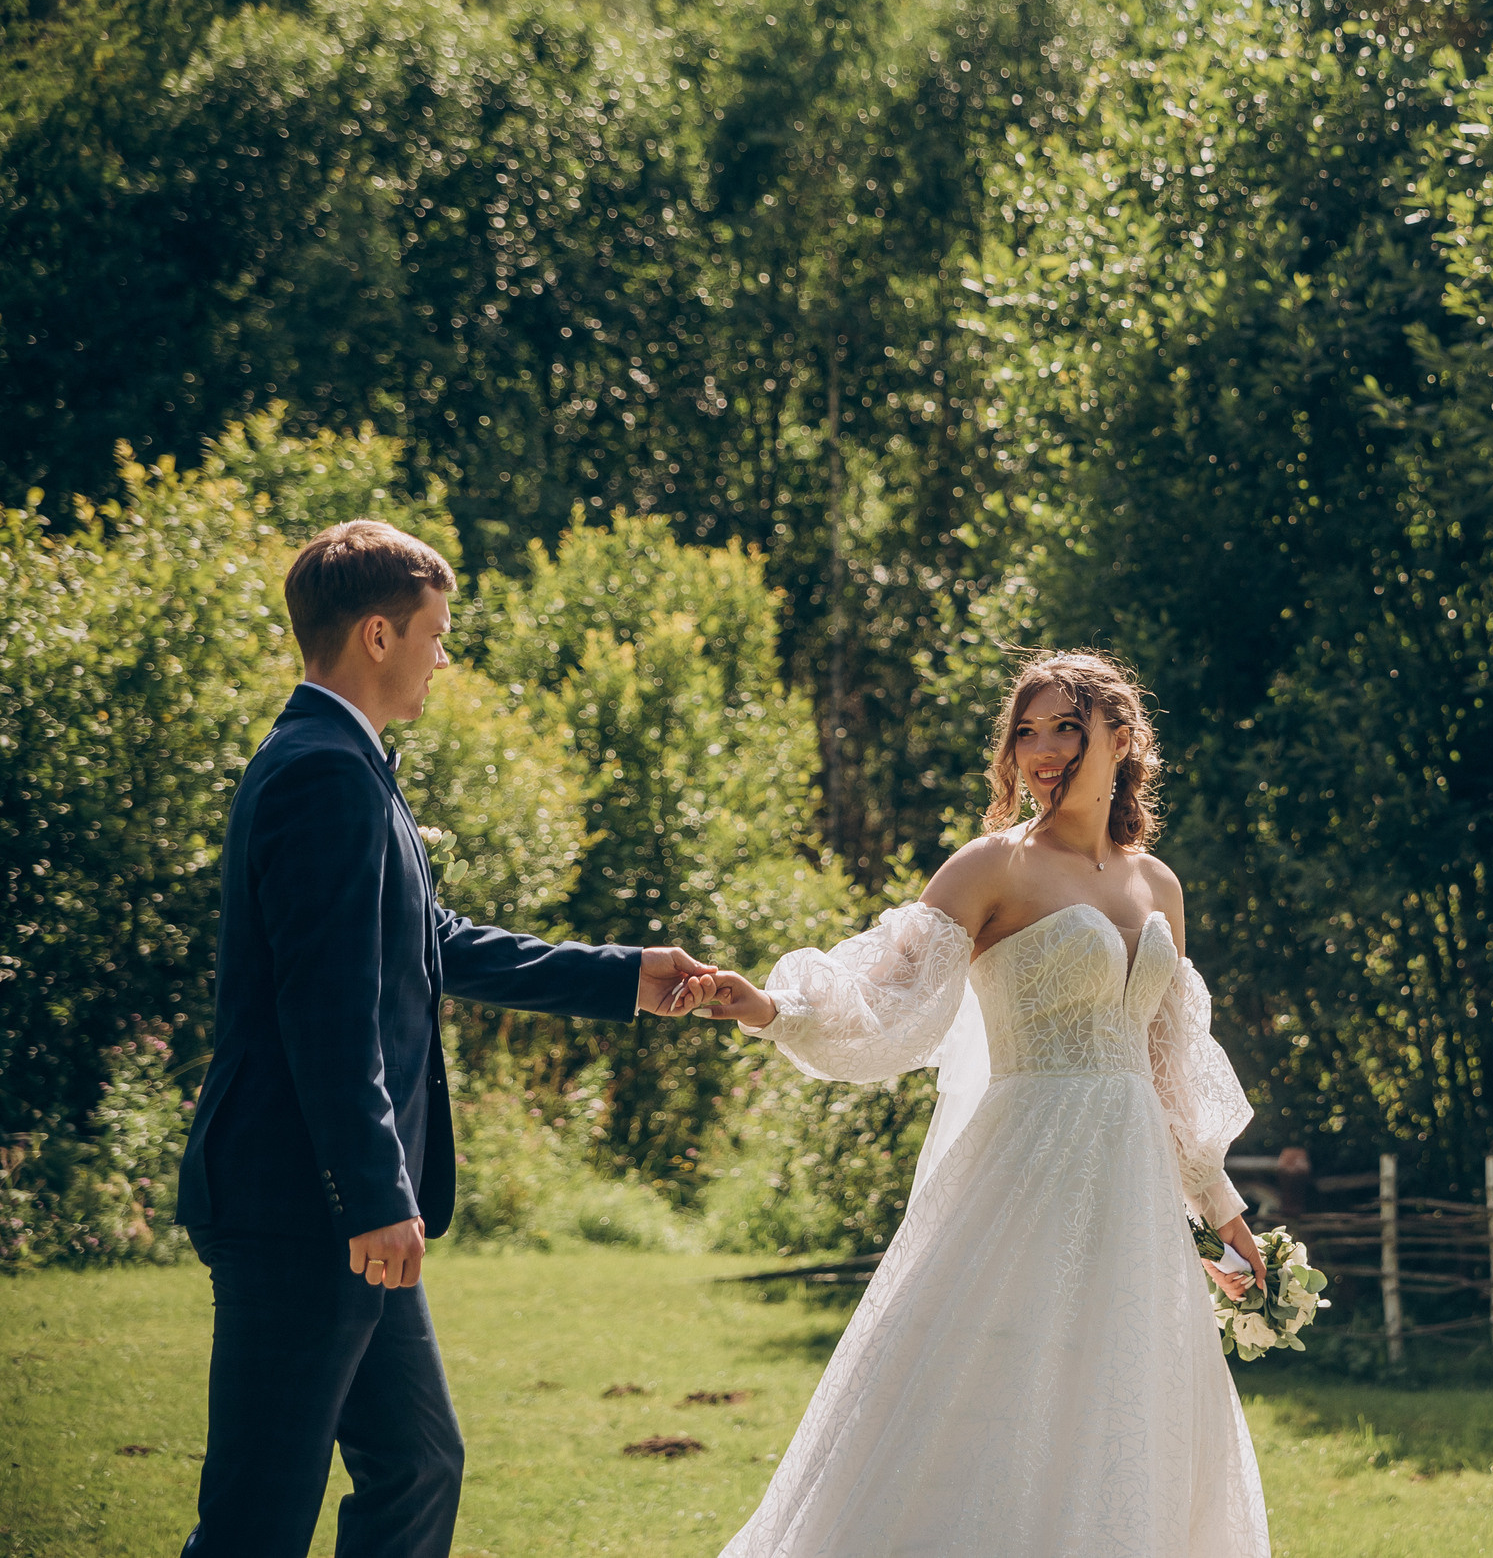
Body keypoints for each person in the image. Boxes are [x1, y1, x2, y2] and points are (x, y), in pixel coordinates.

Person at [172, 519, 722, 1558]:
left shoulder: (349, 762)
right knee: (257, 1519)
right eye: (436, 633)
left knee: (417, 1464)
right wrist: (374, 1195)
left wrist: (625, 975)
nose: (443, 656)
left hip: (340, 1211)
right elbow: (325, 1012)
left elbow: (434, 942)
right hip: (304, 1205)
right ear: (377, 634)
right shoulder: (321, 773)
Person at [676, 650, 1271, 1556]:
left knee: (1124, 1397)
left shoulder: (1158, 885)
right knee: (990, 1397)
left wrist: (1220, 1209)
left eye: (1067, 726)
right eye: (1026, 731)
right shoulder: (994, 866)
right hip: (1026, 1170)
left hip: (1134, 1189)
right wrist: (769, 1007)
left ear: (1121, 739)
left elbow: (1169, 1065)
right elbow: (887, 993)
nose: (1043, 750)